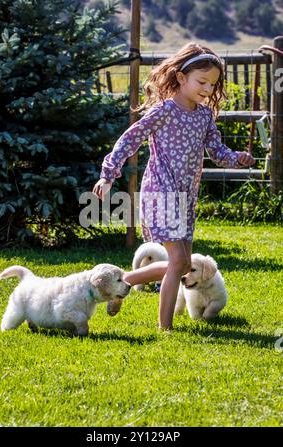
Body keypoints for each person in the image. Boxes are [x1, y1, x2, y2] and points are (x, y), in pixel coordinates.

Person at [92, 42, 255, 331]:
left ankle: (126, 282)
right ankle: (165, 329)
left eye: (212, 84)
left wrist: (237, 158)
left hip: (186, 196)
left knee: (180, 264)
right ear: (181, 78)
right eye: (201, 81)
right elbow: (130, 138)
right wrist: (108, 174)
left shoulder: (204, 116)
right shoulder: (165, 110)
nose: (207, 88)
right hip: (161, 192)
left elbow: (216, 151)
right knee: (178, 260)